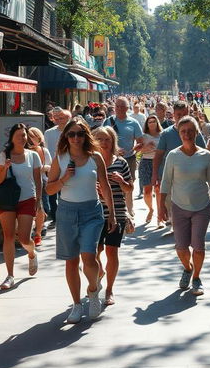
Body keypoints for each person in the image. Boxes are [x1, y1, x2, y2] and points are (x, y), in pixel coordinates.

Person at [46, 118, 115, 323]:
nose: (76, 138)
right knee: (71, 261)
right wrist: (64, 178)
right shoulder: (60, 158)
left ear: (86, 135)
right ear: (66, 137)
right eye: (71, 134)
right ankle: (76, 304)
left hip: (91, 212)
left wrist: (112, 213)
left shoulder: (96, 157)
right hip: (67, 212)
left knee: (89, 256)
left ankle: (93, 291)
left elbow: (105, 185)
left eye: (80, 133)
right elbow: (49, 189)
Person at [159, 116, 210, 296]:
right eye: (183, 131)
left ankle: (196, 278)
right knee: (181, 248)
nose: (187, 134)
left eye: (190, 131)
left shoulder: (205, 155)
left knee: (199, 247)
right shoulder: (173, 155)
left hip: (201, 206)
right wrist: (162, 206)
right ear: (179, 134)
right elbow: (165, 182)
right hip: (178, 207)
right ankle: (188, 268)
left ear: (196, 133)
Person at [0, 123, 42, 290]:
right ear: (12, 137)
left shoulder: (33, 155)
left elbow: (38, 180)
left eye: (25, 135)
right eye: (19, 135)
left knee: (23, 238)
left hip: (27, 198)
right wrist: (5, 168)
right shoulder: (4, 155)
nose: (23, 138)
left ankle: (31, 252)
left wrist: (39, 201)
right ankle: (10, 275)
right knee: (8, 236)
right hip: (7, 200)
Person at [92, 127, 132, 307]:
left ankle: (109, 289)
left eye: (107, 139)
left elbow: (129, 189)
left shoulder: (121, 162)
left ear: (113, 141)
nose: (103, 143)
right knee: (94, 253)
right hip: (94, 213)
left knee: (111, 251)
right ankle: (99, 272)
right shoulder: (90, 163)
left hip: (117, 212)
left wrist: (121, 182)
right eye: (99, 139)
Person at [152, 102, 207, 229]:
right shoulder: (166, 134)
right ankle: (177, 226)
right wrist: (154, 174)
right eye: (178, 115)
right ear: (173, 115)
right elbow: (158, 155)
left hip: (190, 177)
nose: (182, 117)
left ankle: (182, 227)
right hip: (169, 176)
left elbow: (204, 153)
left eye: (184, 114)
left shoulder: (195, 132)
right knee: (171, 203)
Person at [104, 97, 143, 214]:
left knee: (128, 185)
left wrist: (131, 149)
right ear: (114, 108)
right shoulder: (108, 121)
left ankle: (129, 210)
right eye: (117, 106)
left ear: (127, 108)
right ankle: (112, 208)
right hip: (110, 158)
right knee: (111, 184)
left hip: (128, 159)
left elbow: (141, 142)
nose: (119, 109)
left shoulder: (133, 123)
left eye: (122, 106)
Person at [44, 107, 72, 226]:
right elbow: (45, 149)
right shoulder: (49, 133)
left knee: (64, 193)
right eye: (57, 118)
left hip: (67, 166)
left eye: (62, 118)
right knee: (52, 194)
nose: (60, 120)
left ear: (69, 119)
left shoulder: (72, 133)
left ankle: (65, 216)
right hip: (52, 166)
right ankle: (55, 217)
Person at [27, 127, 52, 247]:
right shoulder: (24, 151)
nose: (30, 140)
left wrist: (41, 169)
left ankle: (38, 233)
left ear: (38, 138)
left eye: (33, 137)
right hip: (26, 182)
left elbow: (50, 166)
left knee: (41, 208)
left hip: (40, 182)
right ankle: (33, 230)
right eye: (29, 137)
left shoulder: (43, 150)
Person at [139, 115, 162, 224]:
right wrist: (146, 147)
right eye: (149, 122)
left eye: (154, 121)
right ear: (147, 124)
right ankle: (151, 209)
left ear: (157, 123)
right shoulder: (144, 136)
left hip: (159, 163)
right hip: (146, 163)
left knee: (158, 190)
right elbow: (137, 151)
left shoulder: (162, 135)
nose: (152, 123)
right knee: (147, 192)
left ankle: (160, 216)